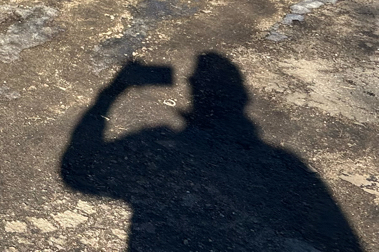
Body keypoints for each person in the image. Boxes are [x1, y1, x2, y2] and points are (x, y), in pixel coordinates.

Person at [62, 54, 363, 251]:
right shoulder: (290, 163)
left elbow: (76, 172)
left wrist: (109, 95)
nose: (190, 80)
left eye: (195, 77)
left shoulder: (158, 140)